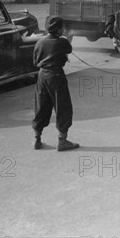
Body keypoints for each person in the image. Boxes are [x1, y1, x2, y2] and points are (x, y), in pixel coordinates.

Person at [32, 16, 80, 152]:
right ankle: (62, 140)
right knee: (62, 106)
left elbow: (35, 62)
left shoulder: (39, 42)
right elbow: (69, 50)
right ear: (58, 29)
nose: (63, 29)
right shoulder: (62, 42)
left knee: (41, 106)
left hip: (42, 76)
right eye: (62, 27)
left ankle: (37, 138)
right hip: (56, 75)